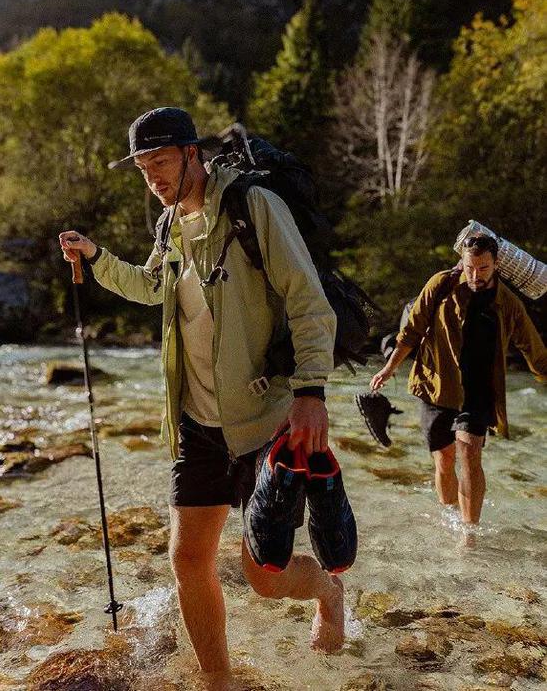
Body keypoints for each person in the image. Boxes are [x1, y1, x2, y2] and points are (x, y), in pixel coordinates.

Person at [59, 107, 344, 687]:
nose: (152, 179)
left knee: (263, 576)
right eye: (143, 168)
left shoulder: (253, 208)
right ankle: (219, 680)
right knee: (188, 561)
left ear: (193, 153)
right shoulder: (169, 227)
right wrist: (95, 258)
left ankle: (326, 587)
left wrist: (311, 391)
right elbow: (152, 286)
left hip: (266, 418)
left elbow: (308, 300)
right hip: (198, 422)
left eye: (160, 163)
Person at [370, 234, 547, 527]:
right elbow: (412, 330)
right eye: (470, 267)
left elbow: (534, 350)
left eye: (483, 268)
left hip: (478, 392)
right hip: (437, 384)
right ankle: (449, 515)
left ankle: (469, 534)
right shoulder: (441, 284)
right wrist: (388, 369)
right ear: (461, 262)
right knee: (444, 460)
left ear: (497, 264)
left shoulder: (508, 303)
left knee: (469, 453)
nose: (475, 275)